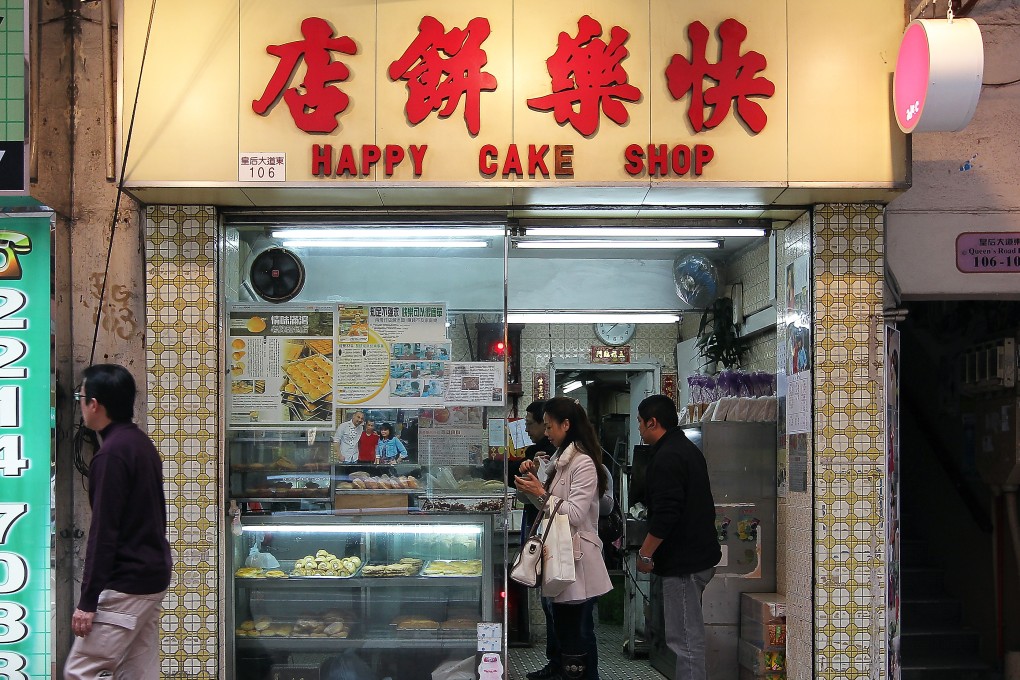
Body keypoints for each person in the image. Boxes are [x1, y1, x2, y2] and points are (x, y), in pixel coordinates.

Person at [64, 364, 173, 680]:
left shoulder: (111, 455)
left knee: (81, 671)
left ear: (94, 404)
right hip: (151, 576)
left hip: (127, 582)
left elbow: (104, 534)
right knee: (137, 672)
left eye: (80, 397)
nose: (81, 404)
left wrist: (87, 602)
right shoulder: (140, 444)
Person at [515, 397, 613, 680]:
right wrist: (534, 479)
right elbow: (549, 504)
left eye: (549, 427)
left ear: (566, 425)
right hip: (561, 556)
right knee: (567, 631)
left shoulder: (582, 462)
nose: (546, 433)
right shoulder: (560, 459)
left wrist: (541, 492)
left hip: (578, 560)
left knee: (578, 635)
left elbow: (574, 514)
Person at [635, 394, 721, 680]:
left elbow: (667, 514)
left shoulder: (668, 456)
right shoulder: (683, 447)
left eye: (640, 422)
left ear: (652, 422)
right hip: (696, 557)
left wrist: (645, 553)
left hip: (685, 563)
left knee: (685, 641)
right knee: (685, 638)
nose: (639, 428)